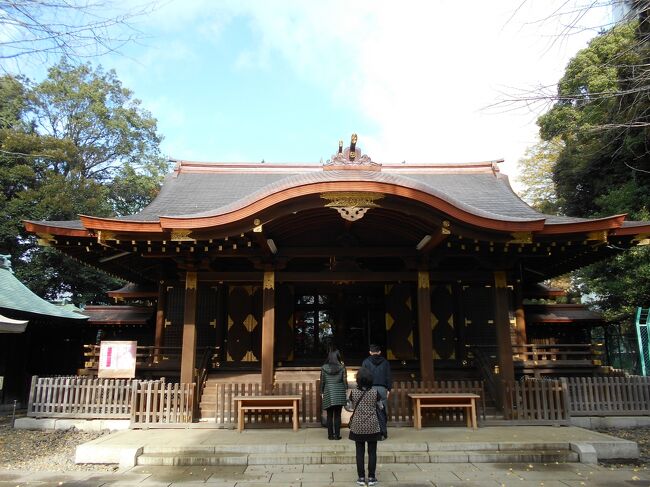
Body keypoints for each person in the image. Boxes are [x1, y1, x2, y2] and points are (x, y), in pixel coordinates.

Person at [348, 367, 382, 486]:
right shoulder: (375, 392)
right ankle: (372, 477)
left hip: (358, 426)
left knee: (359, 452)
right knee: (372, 452)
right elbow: (381, 407)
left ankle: (361, 477)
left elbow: (349, 407)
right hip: (372, 425)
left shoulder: (354, 392)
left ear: (358, 380)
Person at [361, 343, 392, 440]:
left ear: (370, 352)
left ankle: (371, 433)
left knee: (370, 411)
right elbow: (388, 376)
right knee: (382, 411)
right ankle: (383, 433)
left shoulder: (366, 362)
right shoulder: (385, 362)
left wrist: (363, 388)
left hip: (370, 389)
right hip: (382, 389)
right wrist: (389, 389)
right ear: (379, 352)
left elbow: (363, 376)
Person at [320, 349, 348, 440]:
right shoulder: (342, 367)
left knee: (329, 415)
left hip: (328, 391)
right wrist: (346, 390)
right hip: (339, 392)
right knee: (338, 415)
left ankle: (330, 435)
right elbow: (344, 381)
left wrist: (322, 392)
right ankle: (337, 435)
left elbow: (322, 381)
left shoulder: (324, 367)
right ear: (338, 357)